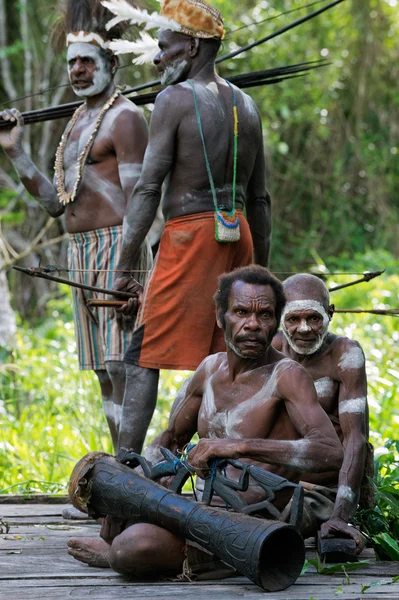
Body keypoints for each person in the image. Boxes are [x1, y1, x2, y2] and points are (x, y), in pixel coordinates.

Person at [67, 265, 343, 576]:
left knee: (132, 548)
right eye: (240, 312)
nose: (252, 324)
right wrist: (142, 484)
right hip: (197, 510)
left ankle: (124, 555)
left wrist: (234, 446)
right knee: (110, 491)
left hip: (254, 522)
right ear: (219, 317)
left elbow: (330, 451)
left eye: (264, 315)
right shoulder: (210, 369)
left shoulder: (287, 376)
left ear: (275, 322)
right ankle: (134, 540)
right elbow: (169, 439)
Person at [107, 0, 272, 454]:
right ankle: (229, 468)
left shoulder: (173, 99)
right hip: (238, 234)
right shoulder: (248, 105)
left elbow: (147, 189)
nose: (158, 58)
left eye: (165, 47)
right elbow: (259, 200)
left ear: (193, 47)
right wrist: (260, 276)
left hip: (189, 236)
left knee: (142, 356)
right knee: (229, 355)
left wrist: (124, 265)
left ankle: (123, 471)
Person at [0, 0, 155, 452]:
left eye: (88, 60)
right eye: (72, 62)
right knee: (104, 371)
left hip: (118, 248)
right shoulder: (77, 122)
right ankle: (122, 472)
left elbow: (140, 202)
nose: (78, 70)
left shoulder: (124, 117)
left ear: (112, 62)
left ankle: (133, 475)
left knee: (124, 363)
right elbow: (55, 204)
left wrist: (131, 269)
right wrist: (15, 153)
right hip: (81, 251)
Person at [272, 273, 369, 551]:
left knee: (274, 532)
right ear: (281, 318)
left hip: (321, 491)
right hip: (271, 482)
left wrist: (340, 514)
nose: (303, 329)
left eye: (313, 319)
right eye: (293, 319)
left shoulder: (344, 355)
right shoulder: (270, 349)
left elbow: (355, 439)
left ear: (330, 314)